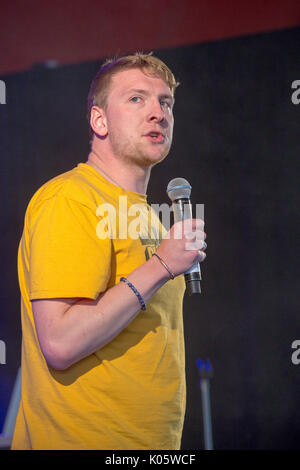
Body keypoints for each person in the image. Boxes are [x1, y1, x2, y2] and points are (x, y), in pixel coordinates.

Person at [12, 52, 207, 450]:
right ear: (99, 120)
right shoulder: (71, 199)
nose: (157, 113)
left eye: (164, 102)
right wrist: (161, 266)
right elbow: (61, 343)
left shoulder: (149, 217)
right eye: (137, 99)